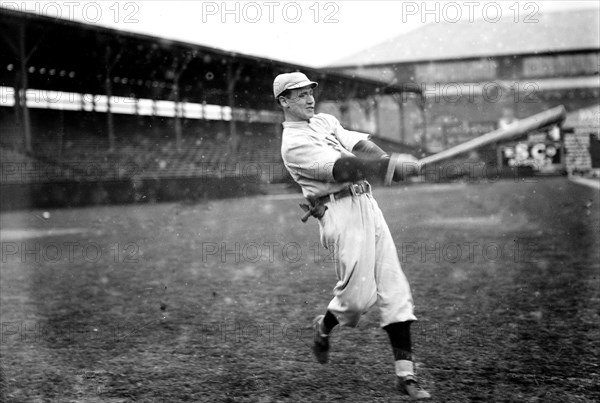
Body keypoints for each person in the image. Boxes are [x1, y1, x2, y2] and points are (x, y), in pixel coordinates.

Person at [274, 72, 431, 399]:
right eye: (298, 94)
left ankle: (405, 374)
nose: (308, 98)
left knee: (393, 285)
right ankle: (324, 325)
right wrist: (389, 168)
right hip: (339, 213)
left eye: (309, 92)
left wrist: (385, 160)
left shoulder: (324, 121)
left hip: (366, 203)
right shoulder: (293, 145)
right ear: (283, 102)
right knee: (358, 299)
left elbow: (358, 144)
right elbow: (343, 168)